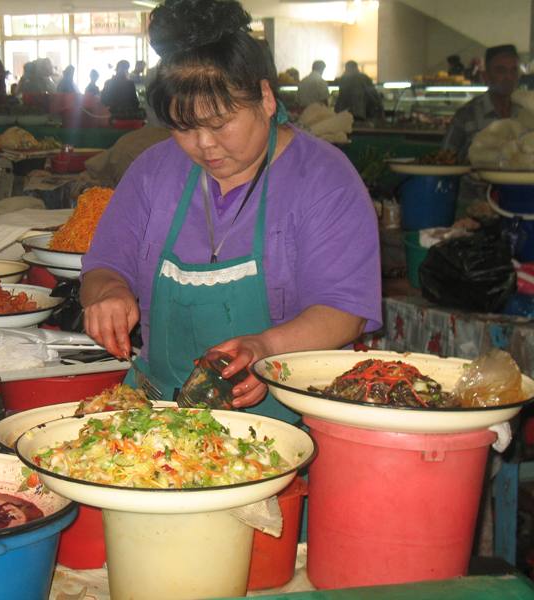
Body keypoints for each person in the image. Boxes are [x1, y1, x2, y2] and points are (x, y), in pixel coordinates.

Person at [80, 0, 381, 419]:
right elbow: (104, 264)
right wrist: (107, 292)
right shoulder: (153, 171)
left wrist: (267, 350)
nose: (204, 145)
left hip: (288, 415)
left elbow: (344, 311)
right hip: (155, 413)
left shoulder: (324, 179)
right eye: (183, 128)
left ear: (265, 98)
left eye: (220, 123)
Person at [443, 45, 521, 162]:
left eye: (513, 70)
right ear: (486, 76)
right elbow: (444, 159)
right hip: (477, 180)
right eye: (501, 70)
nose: (509, 77)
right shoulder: (467, 115)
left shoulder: (527, 112)